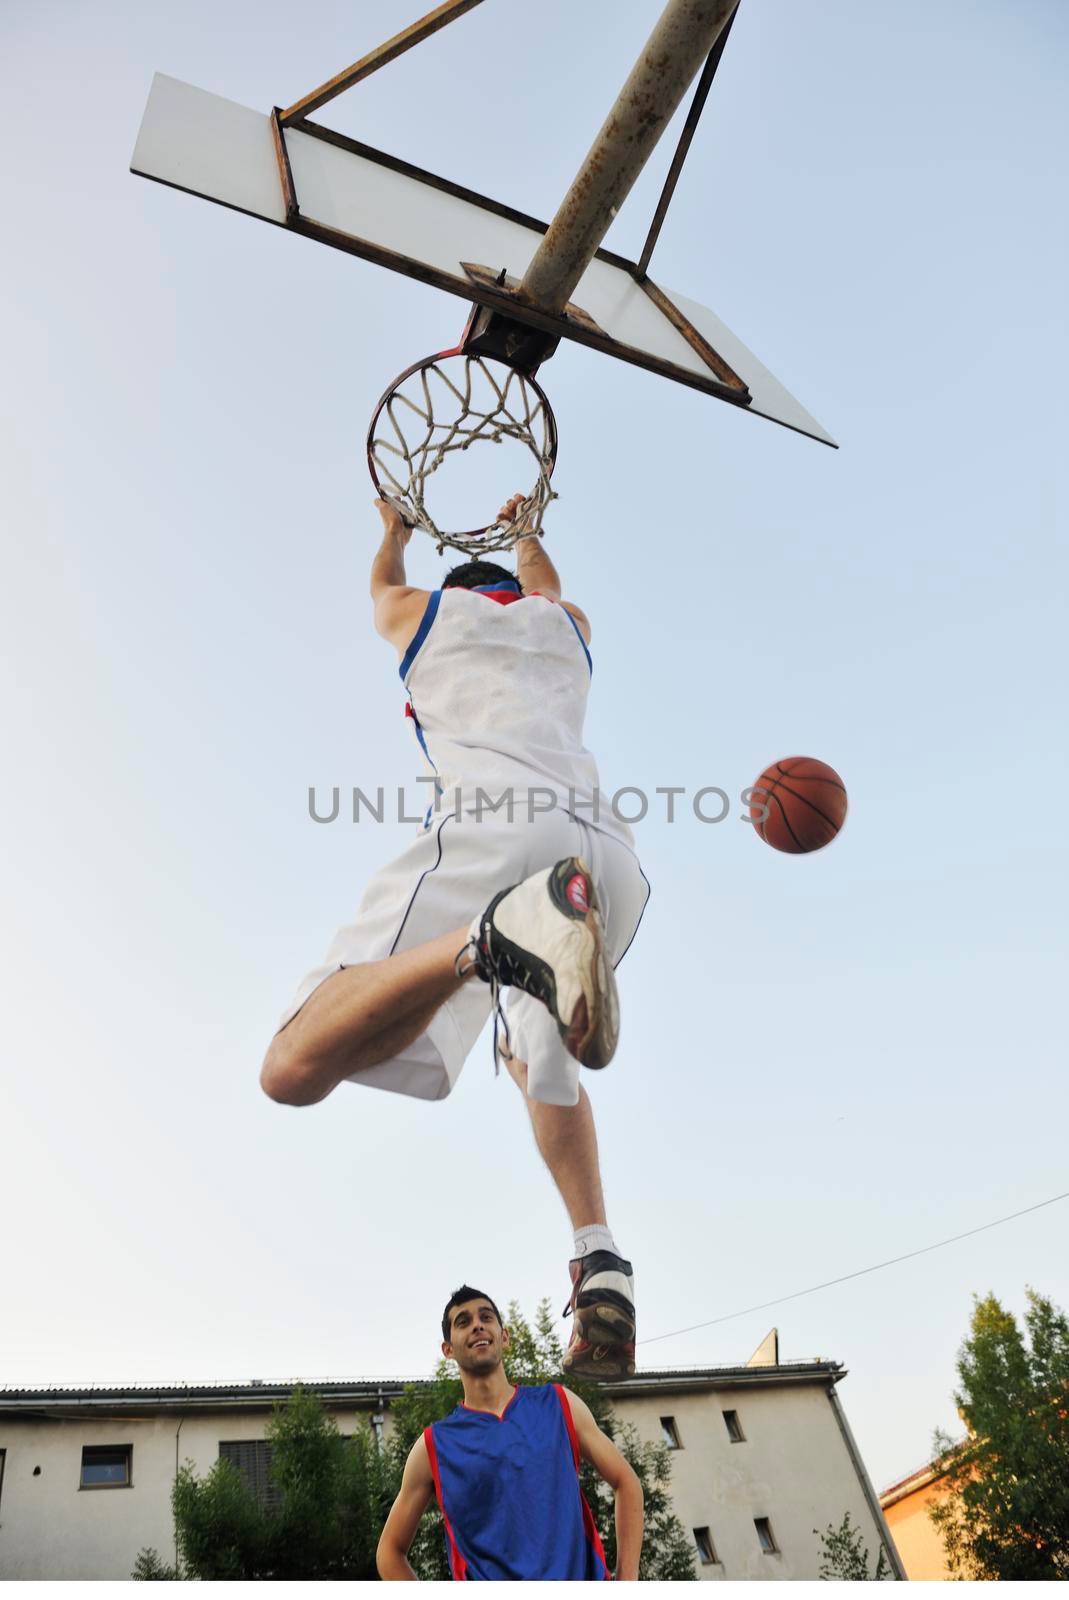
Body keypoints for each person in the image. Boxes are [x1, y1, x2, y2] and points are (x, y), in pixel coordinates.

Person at [260, 497, 650, 1377]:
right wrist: (527, 530)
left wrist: (393, 531)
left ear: (454, 593)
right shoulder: (565, 625)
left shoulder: (423, 614)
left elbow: (380, 590)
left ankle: (485, 938)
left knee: (290, 1068)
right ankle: (599, 1259)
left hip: (497, 834)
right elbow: (549, 585)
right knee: (531, 1058)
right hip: (607, 857)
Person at [376, 1286, 644, 1581]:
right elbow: (389, 1551)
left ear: (504, 1336)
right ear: (448, 1350)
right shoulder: (433, 1447)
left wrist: (627, 1579)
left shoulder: (559, 1403)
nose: (477, 1325)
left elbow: (626, 1482)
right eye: (463, 1322)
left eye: (486, 1317)